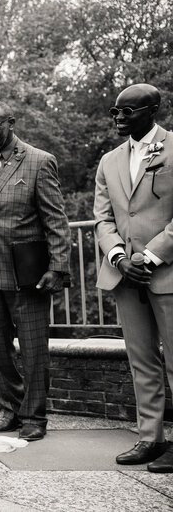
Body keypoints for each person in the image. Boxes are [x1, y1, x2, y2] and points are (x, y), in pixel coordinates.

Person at [0, 101, 70, 442]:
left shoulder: (39, 160)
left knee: (35, 351)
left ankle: (34, 417)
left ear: (11, 122)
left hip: (27, 275)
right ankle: (11, 409)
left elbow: (56, 220)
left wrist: (58, 267)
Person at [93, 83, 173, 473]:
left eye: (128, 111)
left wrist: (153, 255)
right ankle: (150, 438)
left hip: (167, 272)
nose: (119, 118)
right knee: (141, 360)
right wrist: (120, 257)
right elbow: (102, 218)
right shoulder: (109, 160)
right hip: (126, 275)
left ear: (154, 110)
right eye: (115, 112)